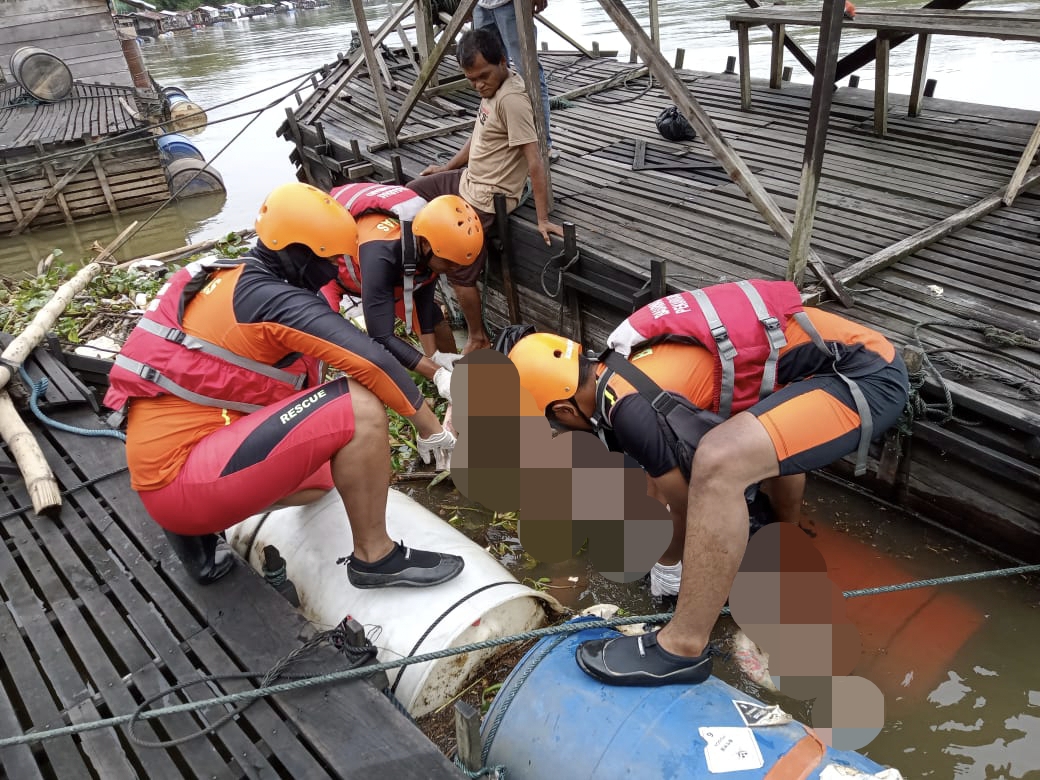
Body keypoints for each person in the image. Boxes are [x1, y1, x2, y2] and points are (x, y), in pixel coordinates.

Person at [507, 279, 909, 686]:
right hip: (829, 360)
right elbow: (656, 473)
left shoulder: (627, 409)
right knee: (756, 445)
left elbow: (684, 503)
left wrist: (667, 564)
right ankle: (785, 543)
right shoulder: (621, 364)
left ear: (563, 407)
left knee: (718, 463)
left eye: (558, 423)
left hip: (863, 374)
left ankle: (681, 647)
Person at [104, 182, 463, 589]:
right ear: (299, 252)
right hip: (184, 479)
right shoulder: (271, 298)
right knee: (359, 403)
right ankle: (375, 557)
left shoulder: (232, 273)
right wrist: (433, 432)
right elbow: (372, 359)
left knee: (325, 478)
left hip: (165, 472)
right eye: (327, 259)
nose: (333, 271)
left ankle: (197, 536)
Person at [408, 27, 564, 355]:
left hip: (487, 198)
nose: (479, 85)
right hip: (467, 180)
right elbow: (478, 137)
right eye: (472, 80)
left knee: (458, 271)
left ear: (503, 62)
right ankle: (421, 284)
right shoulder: (490, 94)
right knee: (409, 195)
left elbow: (535, 161)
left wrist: (542, 218)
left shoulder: (512, 100)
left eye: (484, 76)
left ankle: (477, 337)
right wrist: (447, 168)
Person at [323, 185, 485, 389]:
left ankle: (456, 379)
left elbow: (423, 298)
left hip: (388, 274)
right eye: (450, 263)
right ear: (426, 245)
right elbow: (380, 336)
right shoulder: (382, 252)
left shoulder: (430, 237)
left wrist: (434, 356)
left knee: (435, 320)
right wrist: (437, 375)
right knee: (321, 335)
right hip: (331, 273)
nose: (454, 269)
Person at [472, 0, 554, 160]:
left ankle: (543, 145)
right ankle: (506, 143)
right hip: (480, 5)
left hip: (511, 4)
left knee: (530, 74)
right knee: (492, 75)